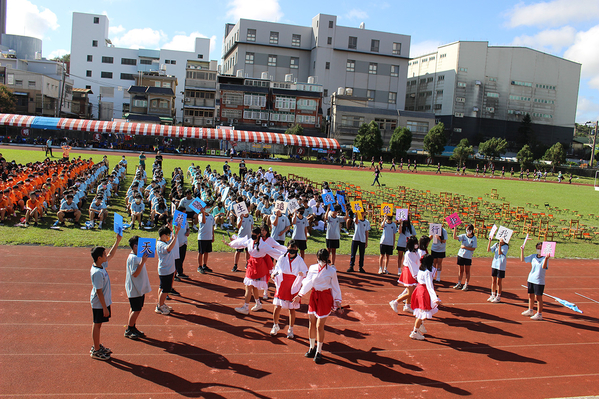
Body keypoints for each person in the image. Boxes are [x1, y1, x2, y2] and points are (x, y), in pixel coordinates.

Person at [292, 248, 342, 364]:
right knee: (312, 323)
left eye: (323, 259)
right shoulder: (312, 268)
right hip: (314, 296)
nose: (321, 261)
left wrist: (337, 301)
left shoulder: (331, 271)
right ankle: (311, 348)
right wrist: (300, 294)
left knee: (320, 325)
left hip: (325, 297)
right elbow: (308, 282)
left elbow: (335, 287)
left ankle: (319, 351)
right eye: (320, 259)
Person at [225, 227, 286, 315]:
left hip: (258, 266)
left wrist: (286, 255)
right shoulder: (250, 241)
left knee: (248, 286)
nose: (252, 235)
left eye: (254, 234)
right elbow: (241, 242)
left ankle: (246, 307)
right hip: (251, 265)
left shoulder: (264, 245)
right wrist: (231, 243)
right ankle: (258, 303)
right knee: (252, 286)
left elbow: (274, 251)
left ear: (258, 235)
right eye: (252, 233)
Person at [89, 234, 121, 360]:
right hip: (99, 303)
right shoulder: (97, 273)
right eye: (104, 254)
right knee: (97, 324)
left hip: (103, 302)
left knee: (99, 324)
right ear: (99, 257)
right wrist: (105, 308)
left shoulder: (100, 265)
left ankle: (97, 346)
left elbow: (111, 256)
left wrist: (117, 241)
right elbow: (99, 292)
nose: (106, 255)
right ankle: (96, 350)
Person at [270, 240, 308, 338]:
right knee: (277, 306)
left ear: (297, 249)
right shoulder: (282, 258)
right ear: (287, 248)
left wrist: (302, 273)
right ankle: (275, 325)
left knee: (292, 309)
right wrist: (274, 273)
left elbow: (305, 270)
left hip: (293, 286)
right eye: (290, 248)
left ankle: (290, 330)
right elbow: (277, 268)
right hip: (282, 284)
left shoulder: (300, 260)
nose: (291, 251)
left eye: (294, 249)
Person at [409, 254, 441, 340]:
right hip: (424, 292)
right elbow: (429, 286)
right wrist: (435, 298)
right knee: (422, 312)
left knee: (423, 311)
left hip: (419, 290)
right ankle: (415, 331)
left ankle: (419, 326)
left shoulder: (421, 270)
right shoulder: (427, 272)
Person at [125, 236, 151, 340]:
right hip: (135, 289)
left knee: (135, 309)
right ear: (135, 246)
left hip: (138, 288)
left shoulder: (137, 256)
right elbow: (134, 274)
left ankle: (132, 327)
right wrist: (142, 262)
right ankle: (129, 329)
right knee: (136, 309)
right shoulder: (133, 258)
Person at [389, 236, 420, 313]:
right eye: (415, 244)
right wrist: (416, 275)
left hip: (414, 271)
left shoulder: (416, 252)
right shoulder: (408, 254)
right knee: (409, 292)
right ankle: (395, 302)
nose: (417, 245)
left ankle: (407, 306)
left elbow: (418, 262)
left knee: (411, 291)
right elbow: (412, 265)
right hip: (410, 272)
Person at [155, 224, 181, 315]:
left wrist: (175, 232)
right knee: (165, 289)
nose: (169, 237)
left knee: (162, 287)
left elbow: (171, 242)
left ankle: (160, 304)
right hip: (165, 270)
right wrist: (176, 236)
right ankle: (160, 307)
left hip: (168, 269)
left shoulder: (163, 241)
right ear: (163, 235)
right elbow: (169, 248)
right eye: (167, 235)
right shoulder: (161, 244)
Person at [520, 242, 550, 320]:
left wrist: (546, 258)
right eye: (538, 248)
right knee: (530, 295)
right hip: (531, 279)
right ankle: (530, 310)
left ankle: (539, 314)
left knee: (538, 297)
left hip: (539, 281)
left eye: (541, 248)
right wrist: (522, 250)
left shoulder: (545, 258)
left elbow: (544, 267)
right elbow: (523, 259)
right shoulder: (533, 256)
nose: (539, 250)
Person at [452, 224, 477, 291]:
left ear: (472, 230)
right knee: (461, 270)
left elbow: (473, 248)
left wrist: (465, 247)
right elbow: (455, 237)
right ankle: (459, 283)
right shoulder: (463, 236)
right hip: (461, 255)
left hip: (468, 257)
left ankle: (466, 284)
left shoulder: (474, 238)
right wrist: (455, 228)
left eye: (469, 230)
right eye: (467, 229)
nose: (468, 231)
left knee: (467, 271)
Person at [487, 236, 509, 303]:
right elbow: (488, 250)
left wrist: (500, 244)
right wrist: (490, 241)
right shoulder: (496, 244)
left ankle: (498, 296)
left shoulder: (505, 246)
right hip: (494, 264)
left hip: (501, 265)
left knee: (499, 281)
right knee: (493, 280)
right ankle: (493, 294)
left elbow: (499, 253)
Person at [197, 203, 215, 274]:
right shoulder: (200, 216)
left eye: (208, 206)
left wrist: (213, 236)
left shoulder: (211, 216)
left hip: (208, 237)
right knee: (201, 252)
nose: (207, 208)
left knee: (206, 252)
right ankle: (199, 266)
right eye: (205, 207)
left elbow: (212, 227)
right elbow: (203, 221)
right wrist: (203, 213)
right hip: (202, 237)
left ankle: (205, 265)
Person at [174, 206, 190, 281]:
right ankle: (174, 274)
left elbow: (188, 228)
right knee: (176, 259)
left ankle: (180, 272)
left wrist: (188, 231)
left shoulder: (185, 220)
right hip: (177, 242)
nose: (185, 214)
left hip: (184, 242)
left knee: (182, 258)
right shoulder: (175, 219)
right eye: (183, 212)